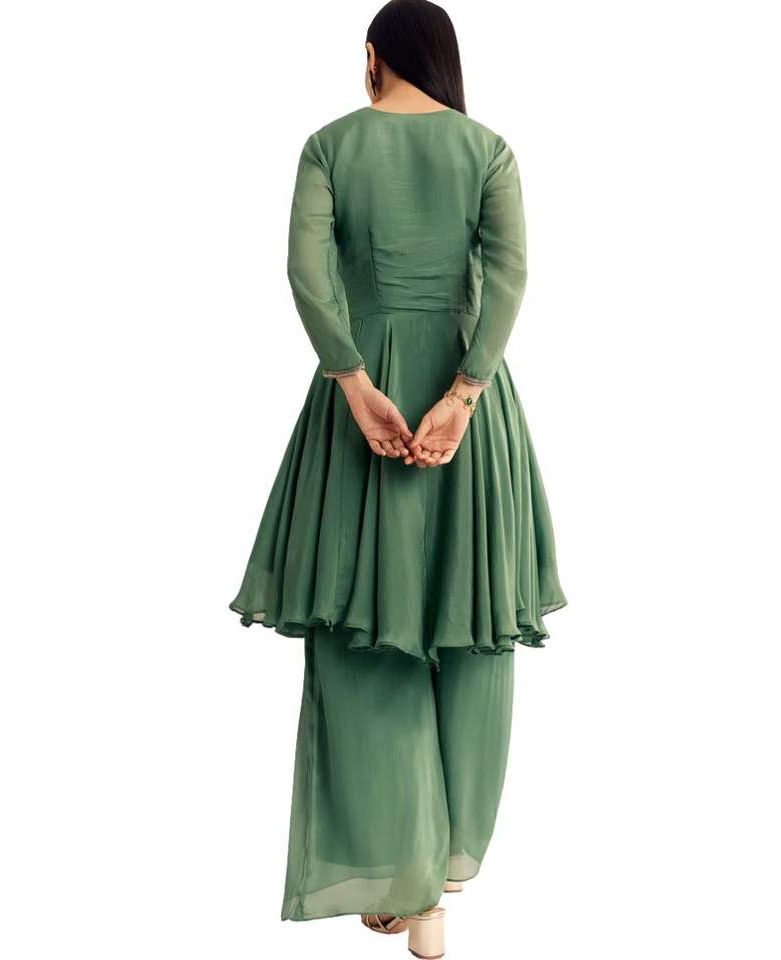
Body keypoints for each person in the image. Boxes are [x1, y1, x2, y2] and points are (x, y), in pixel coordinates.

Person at [229, 1, 566, 954]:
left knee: (360, 630)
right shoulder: (487, 149)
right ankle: (442, 872)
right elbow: (510, 277)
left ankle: (406, 878)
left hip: (361, 408)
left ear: (372, 57)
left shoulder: (330, 146)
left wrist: (352, 381)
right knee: (474, 625)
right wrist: (463, 394)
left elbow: (307, 273)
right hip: (469, 411)